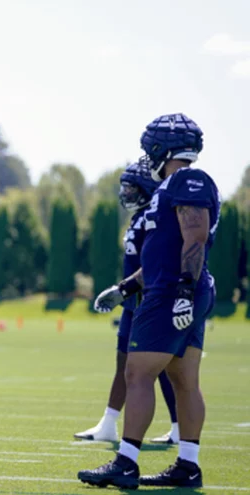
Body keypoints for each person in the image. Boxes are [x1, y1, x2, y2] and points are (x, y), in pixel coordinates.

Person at [79, 113, 218, 489]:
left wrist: (184, 292)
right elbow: (161, 254)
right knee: (183, 379)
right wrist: (124, 288)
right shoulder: (169, 187)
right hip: (173, 286)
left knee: (138, 374)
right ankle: (188, 465)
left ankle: (126, 462)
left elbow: (196, 237)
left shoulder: (187, 179)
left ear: (160, 148)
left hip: (173, 291)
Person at [75, 161, 179, 444]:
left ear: (146, 188)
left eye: (131, 187)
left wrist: (125, 289)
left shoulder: (155, 217)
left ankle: (179, 427)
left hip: (149, 301)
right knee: (124, 363)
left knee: (161, 369)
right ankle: (108, 424)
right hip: (132, 302)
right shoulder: (138, 218)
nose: (125, 193)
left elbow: (155, 262)